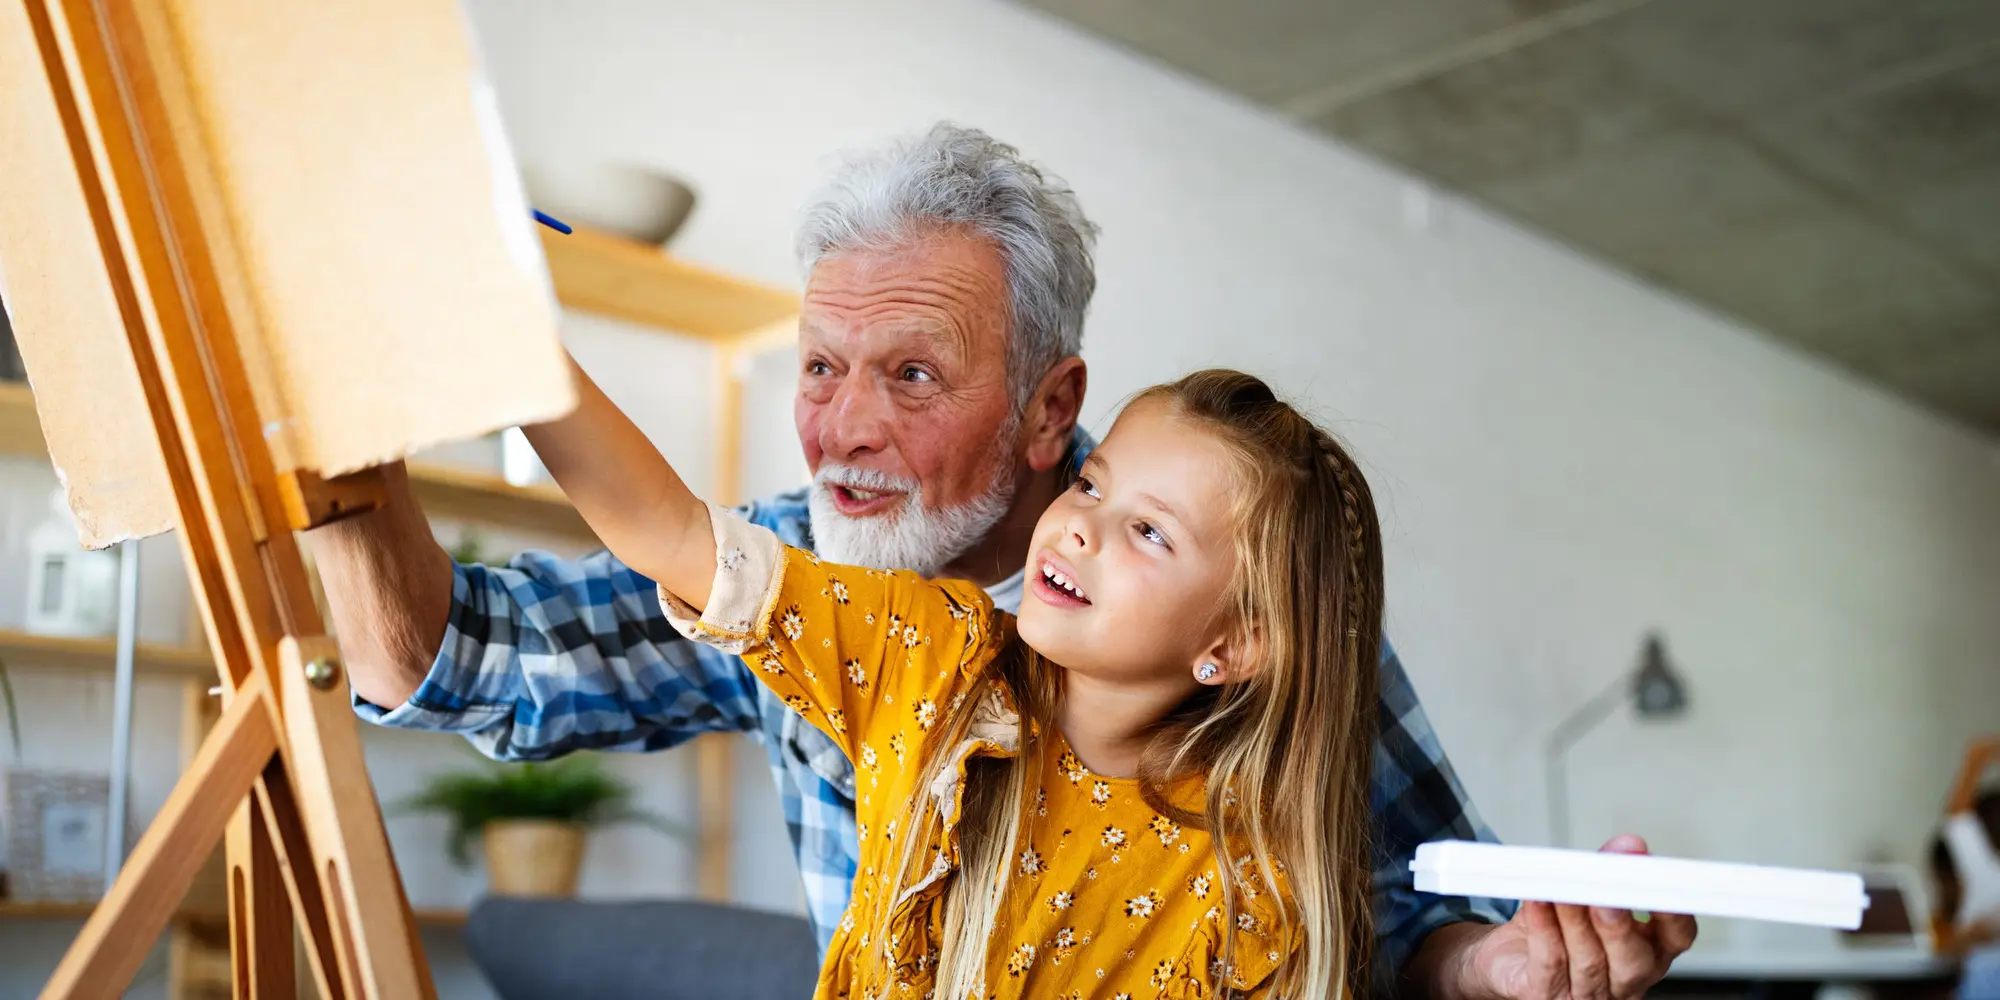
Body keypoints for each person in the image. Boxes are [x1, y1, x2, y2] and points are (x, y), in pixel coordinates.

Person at [311, 123, 1695, 997]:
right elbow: (479, 642)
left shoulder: (1270, 668)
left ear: (1049, 404)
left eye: (912, 373)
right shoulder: (892, 636)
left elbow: (1403, 926)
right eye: (819, 367)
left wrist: (1503, 967)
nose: (841, 428)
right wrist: (466, 355)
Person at [527, 362, 1383, 996]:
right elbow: (674, 534)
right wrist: (510, 342)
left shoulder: (1255, 884)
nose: (1081, 528)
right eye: (1090, 485)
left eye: (1150, 533)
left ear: (1235, 647)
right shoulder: (932, 655)